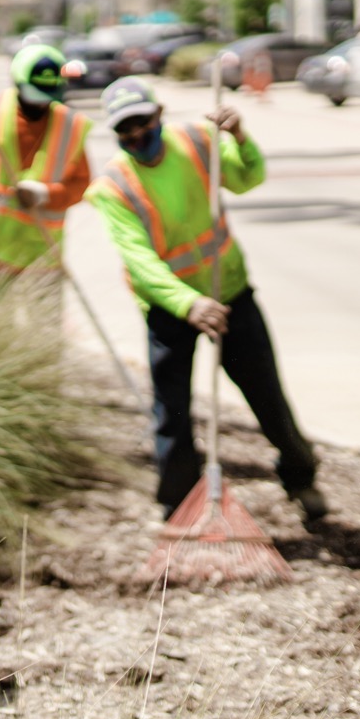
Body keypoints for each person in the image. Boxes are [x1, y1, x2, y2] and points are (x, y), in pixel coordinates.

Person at [87, 76, 325, 522]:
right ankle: (178, 508)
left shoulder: (196, 140)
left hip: (229, 292)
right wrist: (187, 304)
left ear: (159, 115)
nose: (137, 136)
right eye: (125, 131)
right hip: (170, 311)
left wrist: (239, 137)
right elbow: (140, 262)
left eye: (142, 123)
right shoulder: (113, 186)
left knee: (268, 398)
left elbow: (247, 178)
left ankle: (302, 477)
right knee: (172, 416)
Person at [0, 43, 92, 283]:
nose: (40, 104)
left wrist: (45, 194)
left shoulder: (70, 126)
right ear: (17, 83)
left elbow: (82, 184)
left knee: (44, 322)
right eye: (34, 95)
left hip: (41, 254)